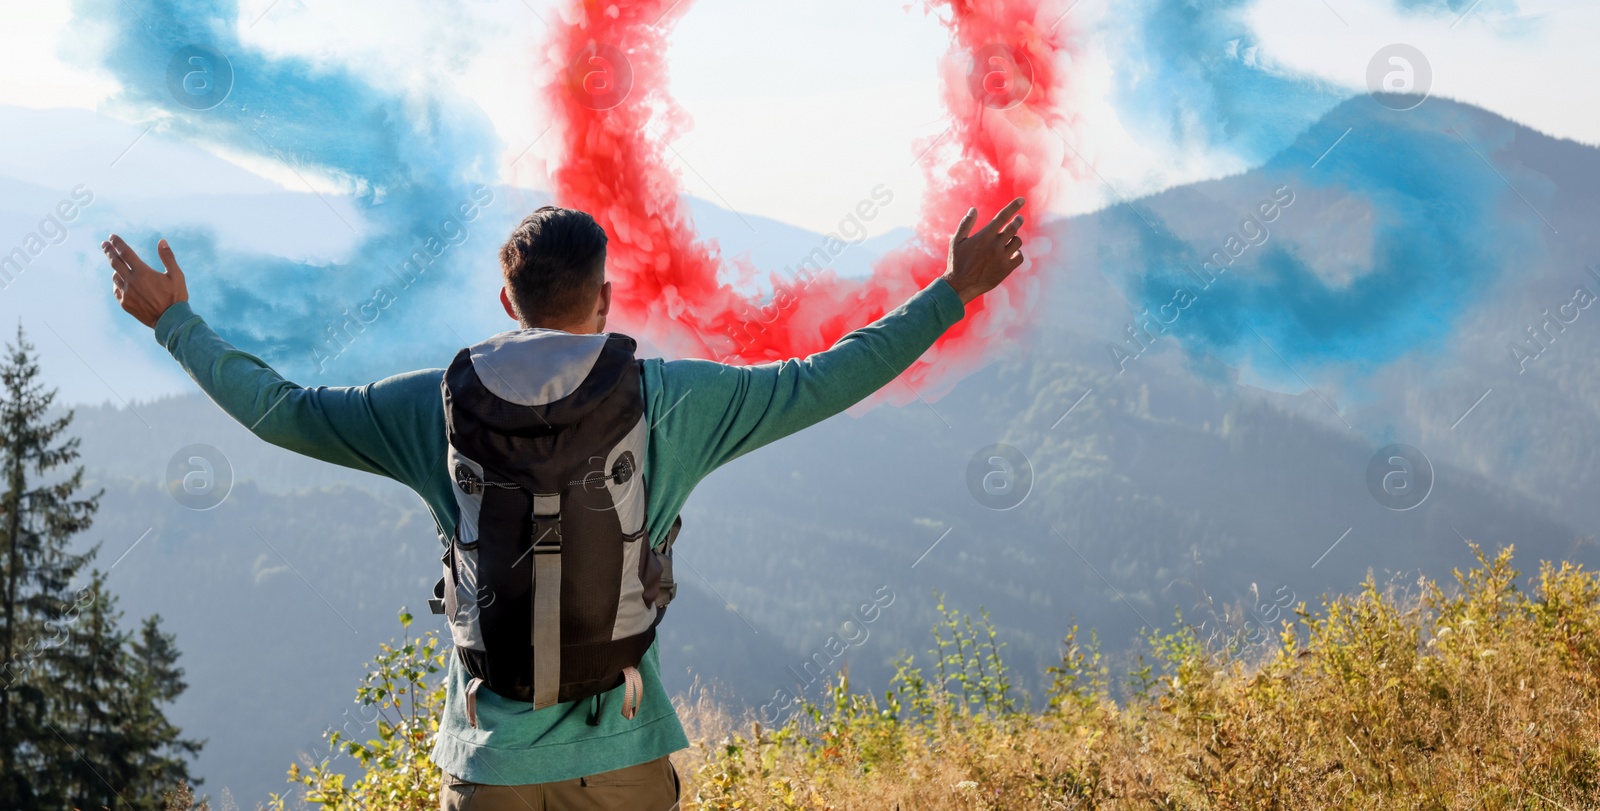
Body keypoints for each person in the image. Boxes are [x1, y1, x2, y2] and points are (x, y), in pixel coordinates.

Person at [100, 198, 1026, 810]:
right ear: (606, 298)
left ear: (506, 299)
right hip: (621, 755)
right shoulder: (672, 396)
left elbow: (283, 412)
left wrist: (174, 321)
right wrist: (955, 291)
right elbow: (824, 378)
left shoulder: (438, 403)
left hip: (490, 762)